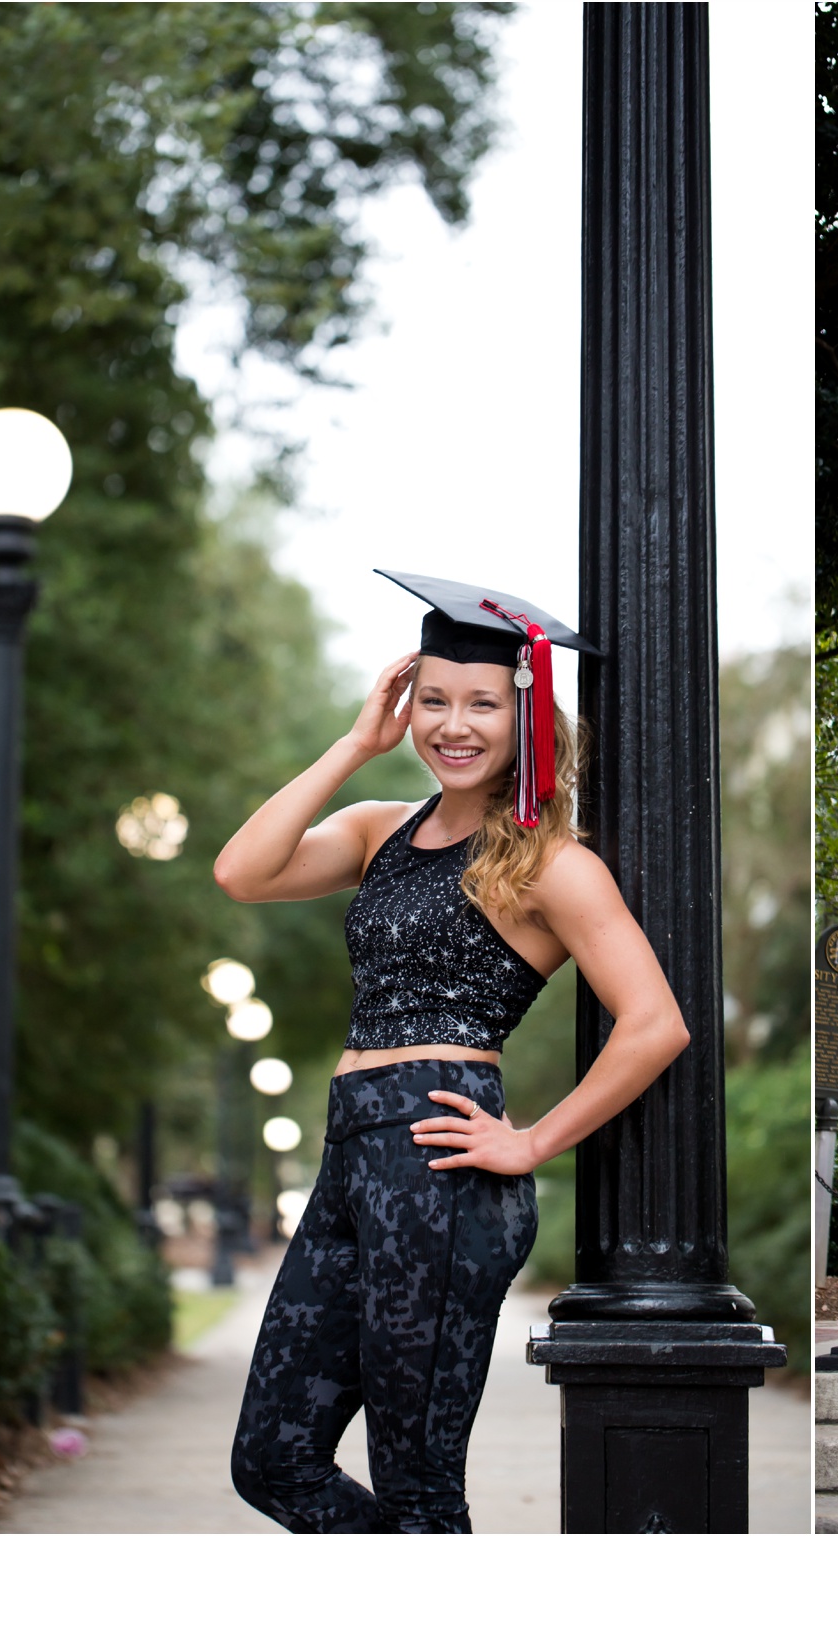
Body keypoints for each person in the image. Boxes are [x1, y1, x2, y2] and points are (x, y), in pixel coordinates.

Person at [215, 572, 689, 1532]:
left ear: (524, 718)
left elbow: (656, 1023)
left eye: (481, 702)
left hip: (442, 1168)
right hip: (351, 1160)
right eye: (433, 699)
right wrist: (355, 745)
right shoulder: (378, 829)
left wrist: (531, 1143)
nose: (452, 724)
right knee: (272, 1459)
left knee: (417, 1481)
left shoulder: (550, 862)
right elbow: (241, 871)